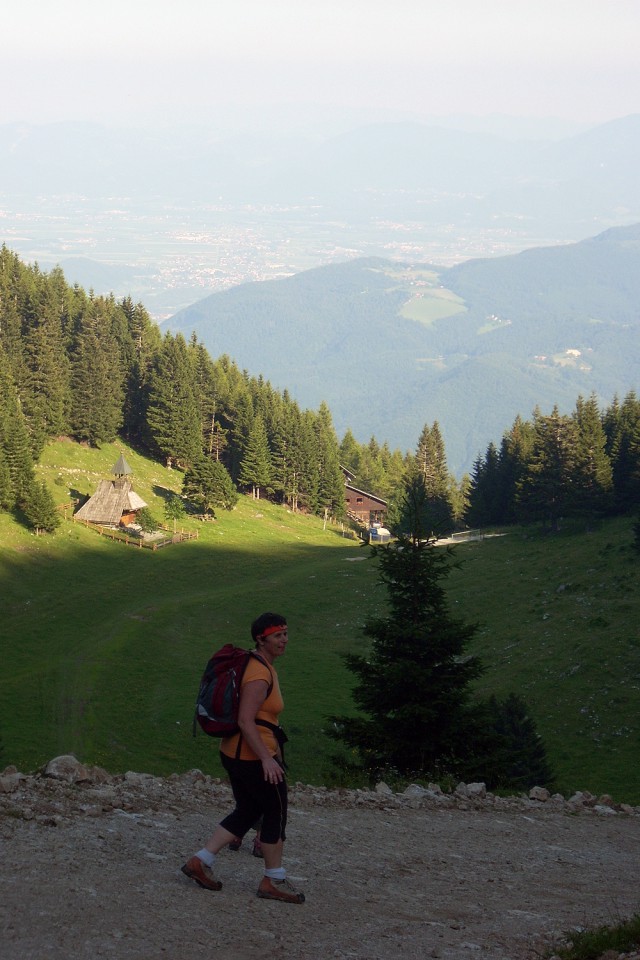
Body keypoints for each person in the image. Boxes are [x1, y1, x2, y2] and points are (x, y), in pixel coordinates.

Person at [181, 612, 305, 904]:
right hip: (252, 755)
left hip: (234, 752)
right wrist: (267, 759)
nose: (284, 640)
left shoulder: (253, 662)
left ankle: (201, 861)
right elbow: (246, 720)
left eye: (286, 633)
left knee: (248, 810)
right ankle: (273, 880)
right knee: (276, 812)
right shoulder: (260, 674)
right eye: (277, 635)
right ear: (261, 640)